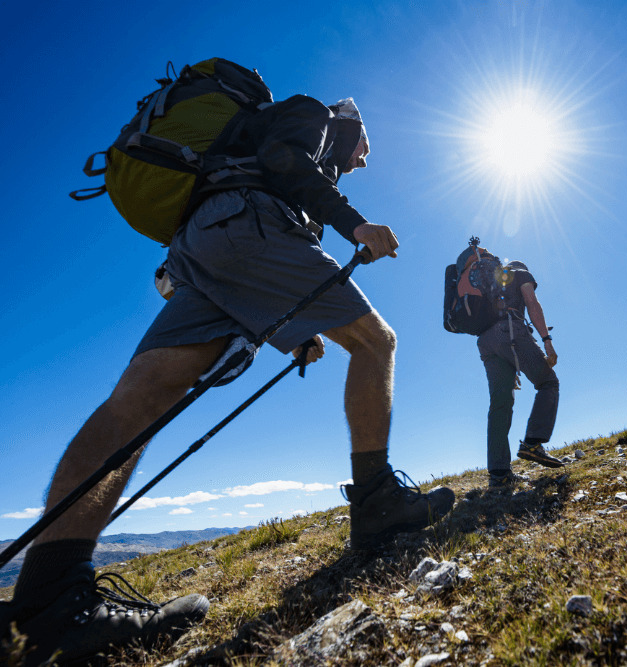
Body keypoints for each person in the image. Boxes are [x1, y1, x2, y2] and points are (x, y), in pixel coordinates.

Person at [0, 87, 454, 664]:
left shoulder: (257, 143)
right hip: (250, 222)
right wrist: (354, 223)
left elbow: (266, 224)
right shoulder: (315, 114)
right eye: (366, 147)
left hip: (205, 241)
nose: (364, 160)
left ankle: (47, 601)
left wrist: (296, 326)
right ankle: (377, 503)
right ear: (351, 125)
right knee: (376, 342)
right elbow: (283, 163)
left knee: (137, 399)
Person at [465, 245, 562, 489]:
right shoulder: (520, 272)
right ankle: (532, 443)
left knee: (500, 403)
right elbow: (531, 302)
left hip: (485, 342)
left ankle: (499, 474)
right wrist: (547, 341)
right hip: (510, 330)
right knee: (548, 383)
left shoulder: (490, 284)